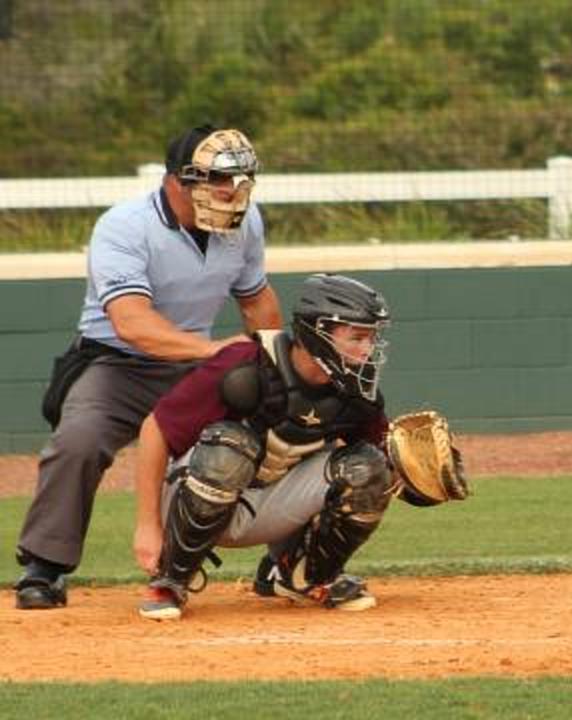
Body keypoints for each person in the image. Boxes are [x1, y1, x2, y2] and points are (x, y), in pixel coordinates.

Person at [13, 124, 282, 610]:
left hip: (194, 364)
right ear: (178, 180)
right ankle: (44, 567)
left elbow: (256, 298)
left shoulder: (245, 222)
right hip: (116, 362)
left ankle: (288, 561)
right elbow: (132, 323)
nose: (233, 190)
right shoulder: (124, 226)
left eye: (240, 179)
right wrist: (214, 353)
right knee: (79, 441)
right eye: (219, 179)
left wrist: (274, 360)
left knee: (275, 428)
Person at [132, 273, 404, 621]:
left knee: (367, 466)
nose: (367, 350)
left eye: (371, 338)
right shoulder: (247, 363)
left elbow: (382, 467)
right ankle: (171, 577)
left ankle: (302, 573)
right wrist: (148, 525)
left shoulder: (355, 392)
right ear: (317, 332)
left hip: (271, 506)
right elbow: (155, 429)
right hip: (194, 492)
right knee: (231, 446)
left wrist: (420, 475)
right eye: (357, 337)